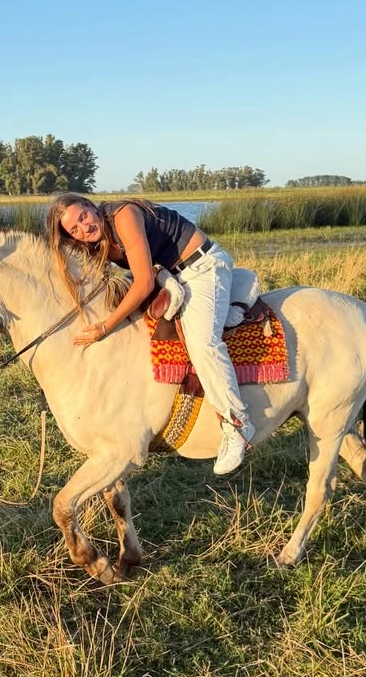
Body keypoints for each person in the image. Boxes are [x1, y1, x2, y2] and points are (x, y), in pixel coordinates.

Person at [46, 193, 256, 474]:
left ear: (91, 207)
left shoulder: (124, 216)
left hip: (201, 267)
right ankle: (227, 293)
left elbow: (143, 283)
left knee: (202, 343)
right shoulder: (96, 242)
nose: (84, 228)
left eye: (83, 216)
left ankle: (237, 425)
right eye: (75, 229)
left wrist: (105, 326)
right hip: (171, 271)